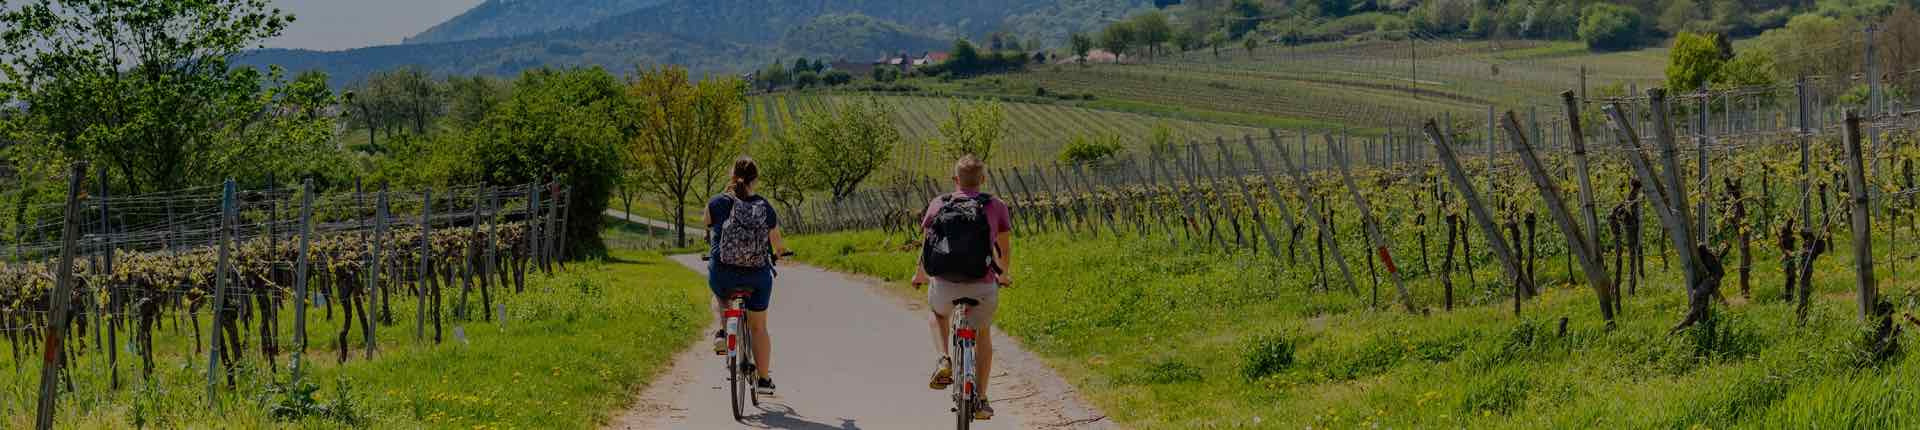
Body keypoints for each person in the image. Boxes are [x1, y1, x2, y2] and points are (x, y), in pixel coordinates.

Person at [911, 155, 1013, 421]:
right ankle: (982, 399)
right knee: (983, 334)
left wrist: (920, 274)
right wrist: (1003, 275)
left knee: (936, 313)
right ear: (983, 180)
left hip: (945, 286)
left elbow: (928, 245)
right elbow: (1004, 249)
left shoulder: (939, 203)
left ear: (955, 180)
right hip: (982, 287)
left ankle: (944, 358)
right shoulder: (995, 205)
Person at [705, 157, 787, 395]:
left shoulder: (717, 202)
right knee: (759, 327)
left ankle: (723, 331)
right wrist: (780, 254)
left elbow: (707, 224)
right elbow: (777, 244)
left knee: (720, 296)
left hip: (724, 272)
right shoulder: (765, 207)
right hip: (757, 276)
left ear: (732, 176)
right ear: (756, 179)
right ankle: (763, 380)